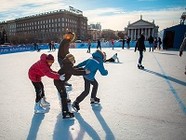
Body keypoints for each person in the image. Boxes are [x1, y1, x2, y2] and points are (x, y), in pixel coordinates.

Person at [54, 54, 90, 118]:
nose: (74, 61)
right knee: (63, 95)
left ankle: (66, 101)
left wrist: (81, 69)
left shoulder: (67, 65)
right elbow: (75, 72)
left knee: (64, 93)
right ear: (71, 60)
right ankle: (65, 112)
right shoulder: (67, 66)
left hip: (61, 81)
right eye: (73, 60)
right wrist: (84, 72)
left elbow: (73, 69)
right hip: (58, 82)